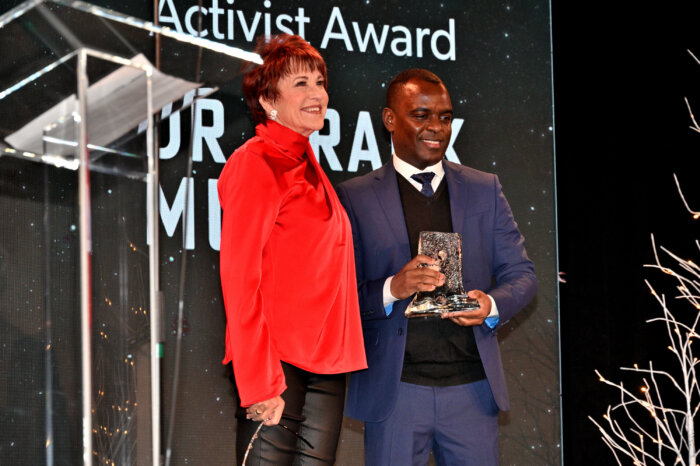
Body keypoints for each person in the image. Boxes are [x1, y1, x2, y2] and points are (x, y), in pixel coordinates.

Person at [336, 68, 537, 465]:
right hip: (396, 393)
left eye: (445, 117)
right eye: (421, 115)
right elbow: (338, 297)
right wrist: (394, 287)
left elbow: (523, 275)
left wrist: (490, 306)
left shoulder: (485, 189)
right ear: (390, 120)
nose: (436, 128)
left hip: (473, 391)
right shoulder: (354, 197)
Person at [217, 34, 366, 465]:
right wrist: (260, 381)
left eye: (320, 82)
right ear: (268, 100)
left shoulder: (307, 163)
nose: (317, 93)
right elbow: (239, 277)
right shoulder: (256, 161)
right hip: (277, 365)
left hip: (324, 365)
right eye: (301, 83)